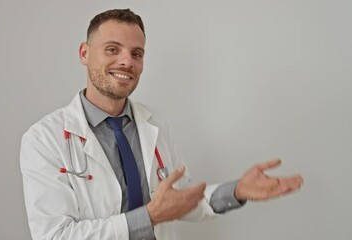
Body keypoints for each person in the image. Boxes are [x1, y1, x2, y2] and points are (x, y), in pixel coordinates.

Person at [20, 9, 303, 240]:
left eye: (136, 54)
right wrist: (150, 216)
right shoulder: (44, 138)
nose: (126, 61)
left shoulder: (154, 124)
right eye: (112, 49)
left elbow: (180, 200)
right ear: (84, 53)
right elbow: (55, 236)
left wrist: (238, 190)